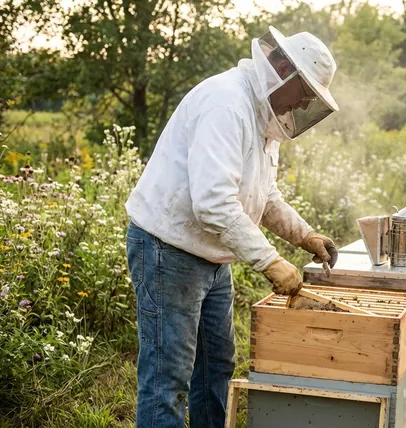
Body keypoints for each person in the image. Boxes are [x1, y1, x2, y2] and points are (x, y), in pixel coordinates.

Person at [124, 26, 339, 428]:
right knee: (167, 376)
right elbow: (213, 204)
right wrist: (271, 262)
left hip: (210, 256)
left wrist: (305, 235)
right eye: (306, 89)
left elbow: (264, 195)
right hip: (168, 251)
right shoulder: (226, 105)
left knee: (216, 364)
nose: (307, 100)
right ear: (281, 69)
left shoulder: (263, 115)